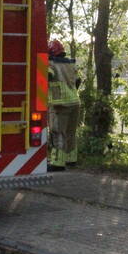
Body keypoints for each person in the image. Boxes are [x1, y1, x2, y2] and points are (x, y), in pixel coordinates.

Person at [46, 40, 80, 169]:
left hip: (60, 104)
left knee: (58, 133)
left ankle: (57, 163)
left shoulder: (51, 64)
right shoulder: (71, 64)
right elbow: (78, 81)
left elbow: (46, 76)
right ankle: (71, 159)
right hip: (75, 102)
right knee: (71, 132)